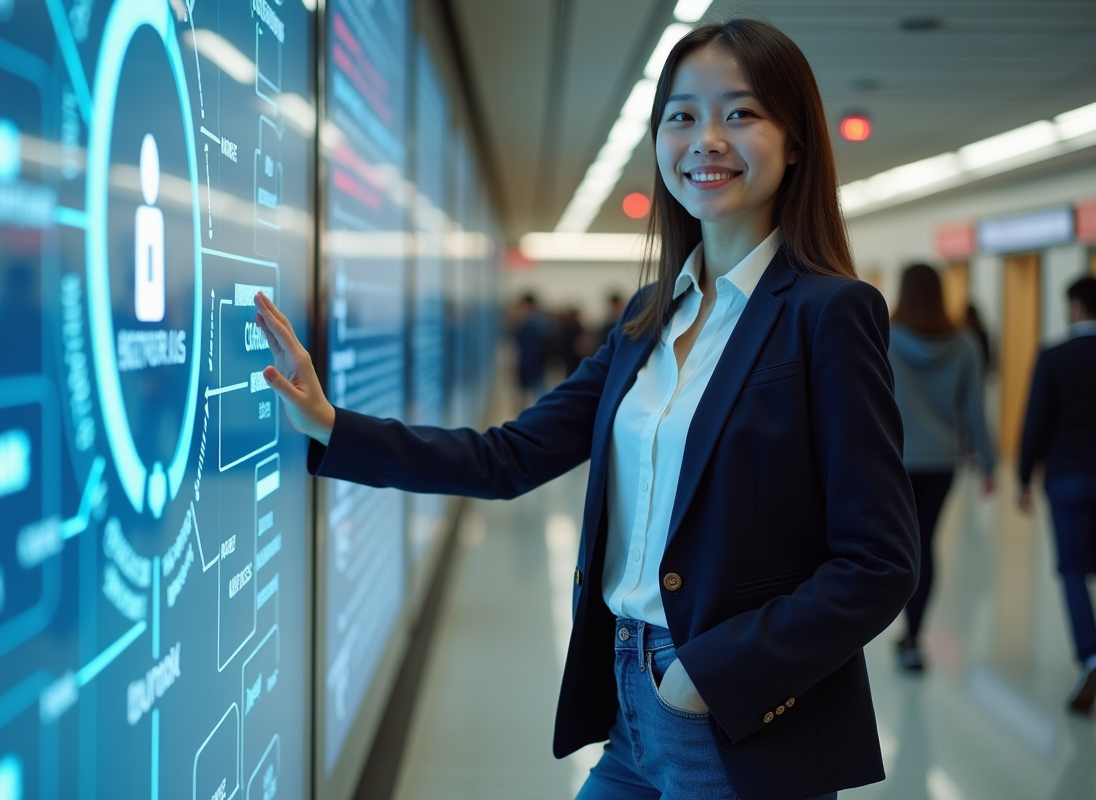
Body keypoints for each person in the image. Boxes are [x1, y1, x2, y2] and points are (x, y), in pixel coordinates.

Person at [253, 18, 916, 800]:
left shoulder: (827, 314)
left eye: (740, 114)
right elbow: (508, 457)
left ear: (796, 140)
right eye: (681, 115)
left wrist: (705, 676)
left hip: (733, 719)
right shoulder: (650, 317)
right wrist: (334, 428)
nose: (706, 138)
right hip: (630, 701)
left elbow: (878, 564)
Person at [887, 264, 995, 672]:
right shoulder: (965, 343)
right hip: (942, 461)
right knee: (924, 544)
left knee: (895, 544)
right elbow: (974, 410)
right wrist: (988, 463)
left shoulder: (887, 337)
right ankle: (914, 637)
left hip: (895, 459)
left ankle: (887, 625)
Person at [1019, 276, 1096, 713]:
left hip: (1066, 475)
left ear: (1075, 308)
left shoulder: (1054, 355)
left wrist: (1024, 477)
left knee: (1072, 569)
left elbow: (1036, 420)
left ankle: (1090, 655)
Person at [512, 293, 549, 405]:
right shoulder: (541, 322)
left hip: (532, 367)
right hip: (538, 366)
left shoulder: (531, 324)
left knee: (537, 397)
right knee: (539, 395)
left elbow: (530, 349)